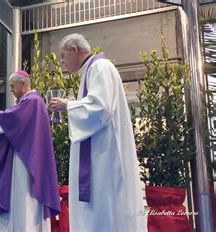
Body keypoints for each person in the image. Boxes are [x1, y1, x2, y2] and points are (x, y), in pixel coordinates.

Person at [49, 33, 146, 231]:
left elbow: (101, 107)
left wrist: (69, 105)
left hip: (105, 154)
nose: (62, 61)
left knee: (106, 208)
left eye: (63, 55)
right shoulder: (91, 70)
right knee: (99, 209)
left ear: (74, 50)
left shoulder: (99, 67)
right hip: (99, 151)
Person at [0, 70, 60, 231]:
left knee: (26, 199)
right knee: (21, 199)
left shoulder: (33, 101)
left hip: (27, 160)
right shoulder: (30, 101)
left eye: (12, 86)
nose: (11, 90)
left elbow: (14, 119)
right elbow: (13, 122)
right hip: (26, 156)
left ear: (23, 84)